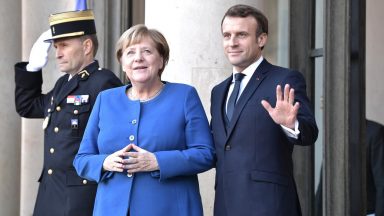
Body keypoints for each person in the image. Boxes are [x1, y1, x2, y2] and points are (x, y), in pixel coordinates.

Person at [73, 24, 215, 216]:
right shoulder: (105, 99)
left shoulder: (184, 96)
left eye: (147, 51)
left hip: (170, 209)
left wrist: (158, 161)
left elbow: (206, 154)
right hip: (111, 209)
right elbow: (81, 160)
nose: (138, 58)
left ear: (161, 61)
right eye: (130, 53)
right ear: (123, 63)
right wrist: (106, 162)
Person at [210, 4, 318, 216]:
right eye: (227, 35)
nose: (232, 42)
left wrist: (291, 124)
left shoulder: (285, 79)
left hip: (269, 205)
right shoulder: (218, 91)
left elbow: (309, 132)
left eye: (241, 35)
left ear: (261, 39)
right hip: (225, 205)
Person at [14, 10, 123, 216]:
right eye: (56, 47)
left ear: (87, 46)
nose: (57, 53)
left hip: (80, 198)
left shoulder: (104, 82)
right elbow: (27, 106)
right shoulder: (64, 83)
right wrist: (32, 69)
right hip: (50, 193)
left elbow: (114, 141)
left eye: (64, 45)